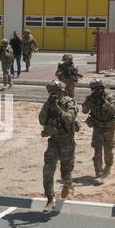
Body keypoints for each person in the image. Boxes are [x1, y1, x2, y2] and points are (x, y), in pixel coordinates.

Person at [39, 80, 79, 213]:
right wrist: (47, 106)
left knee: (65, 173)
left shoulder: (69, 102)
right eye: (50, 92)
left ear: (61, 91)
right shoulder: (49, 104)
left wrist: (57, 108)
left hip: (67, 143)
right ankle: (50, 199)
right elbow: (41, 120)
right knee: (47, 171)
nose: (53, 94)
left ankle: (67, 185)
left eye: (55, 91)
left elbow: (70, 118)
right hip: (54, 142)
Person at [82, 79, 115, 182]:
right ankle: (98, 172)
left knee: (108, 148)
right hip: (97, 126)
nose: (96, 92)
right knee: (97, 149)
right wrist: (91, 102)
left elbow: (114, 110)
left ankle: (108, 166)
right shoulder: (91, 98)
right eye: (94, 90)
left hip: (109, 126)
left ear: (103, 88)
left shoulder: (110, 97)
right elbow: (84, 110)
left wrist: (104, 102)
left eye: (98, 89)